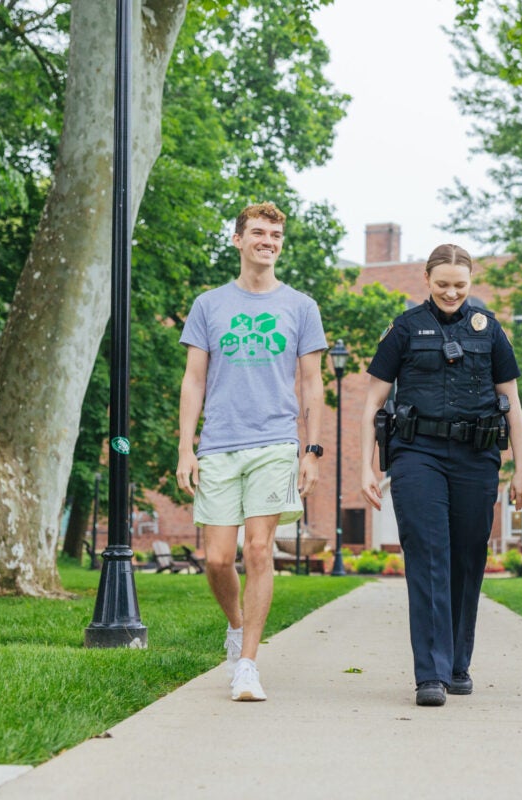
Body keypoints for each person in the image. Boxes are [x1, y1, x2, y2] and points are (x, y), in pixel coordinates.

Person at [359, 243, 522, 707]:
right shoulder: (404, 328)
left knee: (467, 557)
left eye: (459, 285)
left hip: (477, 458)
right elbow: (373, 402)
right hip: (418, 454)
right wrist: (366, 465)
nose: (451, 292)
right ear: (427, 280)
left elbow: (512, 403)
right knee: (428, 555)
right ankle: (430, 674)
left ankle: (457, 664)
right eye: (442, 285)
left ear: (470, 281)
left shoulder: (490, 329)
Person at [176, 202, 327, 702]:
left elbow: (311, 382)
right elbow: (194, 379)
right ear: (238, 240)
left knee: (258, 550)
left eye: (276, 233)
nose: (269, 240)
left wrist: (312, 450)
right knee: (217, 559)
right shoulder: (209, 305)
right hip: (219, 442)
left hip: (275, 442)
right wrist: (185, 447)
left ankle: (248, 664)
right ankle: (237, 627)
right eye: (258, 232)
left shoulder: (301, 307)